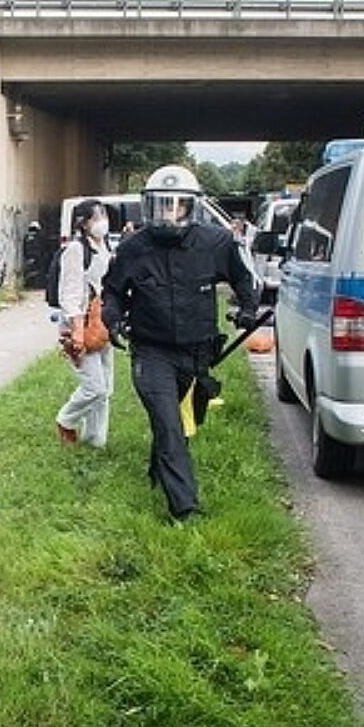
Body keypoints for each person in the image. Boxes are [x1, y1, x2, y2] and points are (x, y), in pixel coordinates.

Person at [101, 165, 259, 521]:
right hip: (151, 349)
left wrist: (248, 308)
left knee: (181, 424)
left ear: (193, 207)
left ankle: (159, 471)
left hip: (198, 351)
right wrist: (112, 320)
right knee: (169, 422)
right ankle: (185, 508)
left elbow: (242, 279)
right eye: (161, 206)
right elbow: (112, 292)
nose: (169, 214)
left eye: (178, 205)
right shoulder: (133, 248)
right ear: (148, 208)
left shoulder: (216, 243)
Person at [54, 200, 115, 448]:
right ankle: (66, 420)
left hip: (102, 323)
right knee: (94, 387)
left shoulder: (104, 246)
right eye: (95, 217)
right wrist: (77, 331)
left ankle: (95, 440)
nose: (101, 221)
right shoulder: (76, 250)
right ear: (83, 223)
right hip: (81, 325)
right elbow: (69, 293)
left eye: (103, 215)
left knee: (106, 389)